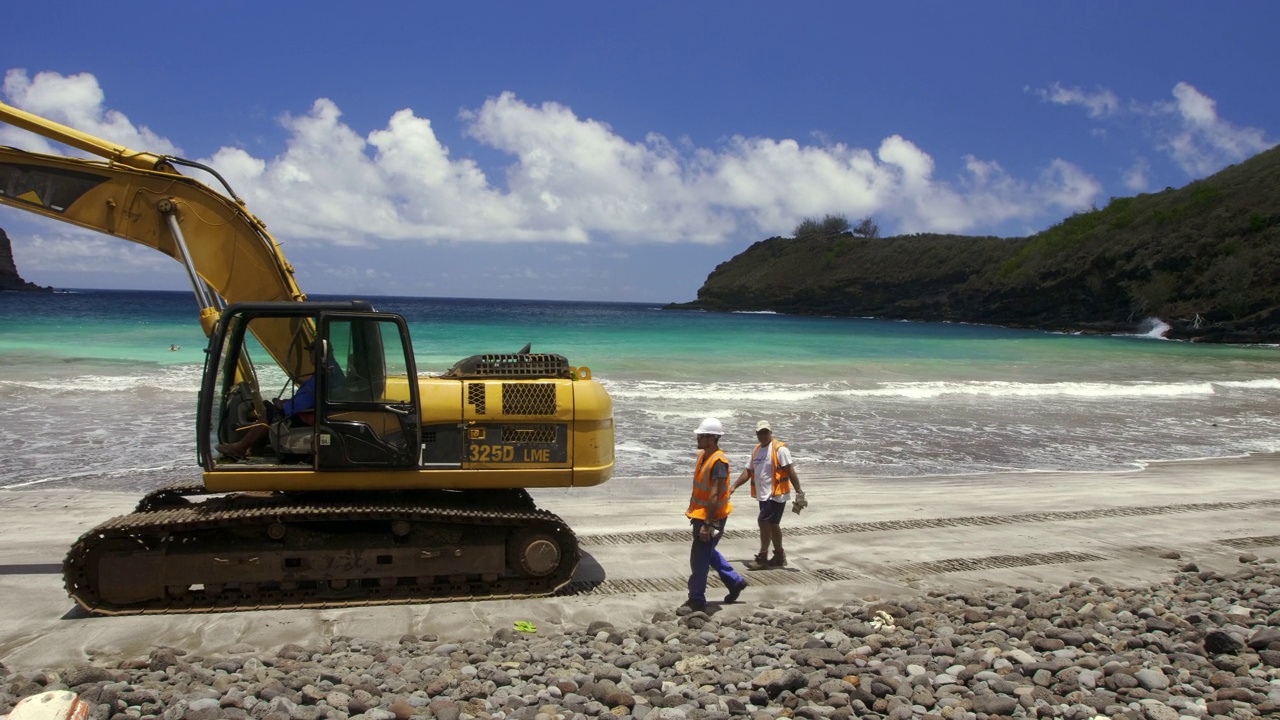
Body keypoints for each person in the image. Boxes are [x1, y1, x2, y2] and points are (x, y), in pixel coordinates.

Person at [682, 417, 748, 613]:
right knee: (708, 552)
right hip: (701, 514)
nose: (698, 438)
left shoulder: (719, 462)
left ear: (712, 438)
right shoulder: (703, 456)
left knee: (699, 559)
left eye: (701, 436)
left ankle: (696, 599)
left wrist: (708, 525)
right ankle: (735, 582)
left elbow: (714, 495)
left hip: (711, 517)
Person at [731, 419, 805, 569]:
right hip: (763, 494)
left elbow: (790, 470)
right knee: (773, 524)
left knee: (763, 521)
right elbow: (748, 471)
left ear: (770, 432)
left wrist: (799, 491)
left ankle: (762, 557)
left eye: (765, 432)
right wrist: (733, 487)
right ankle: (779, 555)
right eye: (760, 433)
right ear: (757, 434)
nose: (763, 436)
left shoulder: (780, 450)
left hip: (776, 494)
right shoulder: (757, 450)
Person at [215, 375, 317, 459]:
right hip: (311, 415)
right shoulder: (322, 374)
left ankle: (242, 447)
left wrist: (281, 404)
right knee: (271, 413)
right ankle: (253, 449)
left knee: (270, 412)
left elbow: (303, 403)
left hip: (309, 418)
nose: (310, 354)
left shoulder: (319, 378)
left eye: (312, 350)